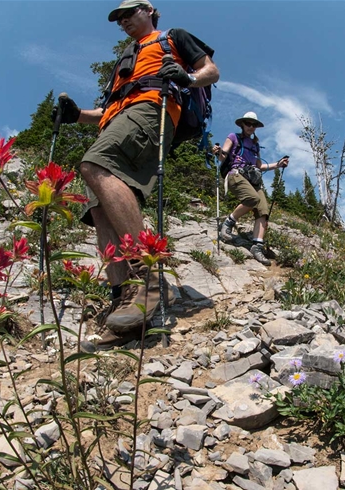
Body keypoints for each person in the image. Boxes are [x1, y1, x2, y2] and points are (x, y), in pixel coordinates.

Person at [55, 0, 219, 351]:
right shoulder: (125, 60)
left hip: (151, 110)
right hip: (115, 120)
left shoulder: (172, 37)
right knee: (99, 210)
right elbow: (106, 108)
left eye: (129, 13)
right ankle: (125, 306)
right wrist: (77, 115)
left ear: (149, 10)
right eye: (119, 19)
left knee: (94, 164)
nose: (124, 21)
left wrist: (188, 78)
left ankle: (147, 275)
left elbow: (211, 71)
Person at [213, 112, 289, 266]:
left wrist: (278, 164)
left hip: (252, 179)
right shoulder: (233, 137)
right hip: (235, 174)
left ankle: (257, 246)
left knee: (263, 210)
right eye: (248, 123)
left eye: (254, 125)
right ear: (242, 124)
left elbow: (259, 166)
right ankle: (228, 223)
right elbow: (223, 156)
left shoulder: (255, 145)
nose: (251, 127)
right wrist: (218, 151)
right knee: (252, 199)